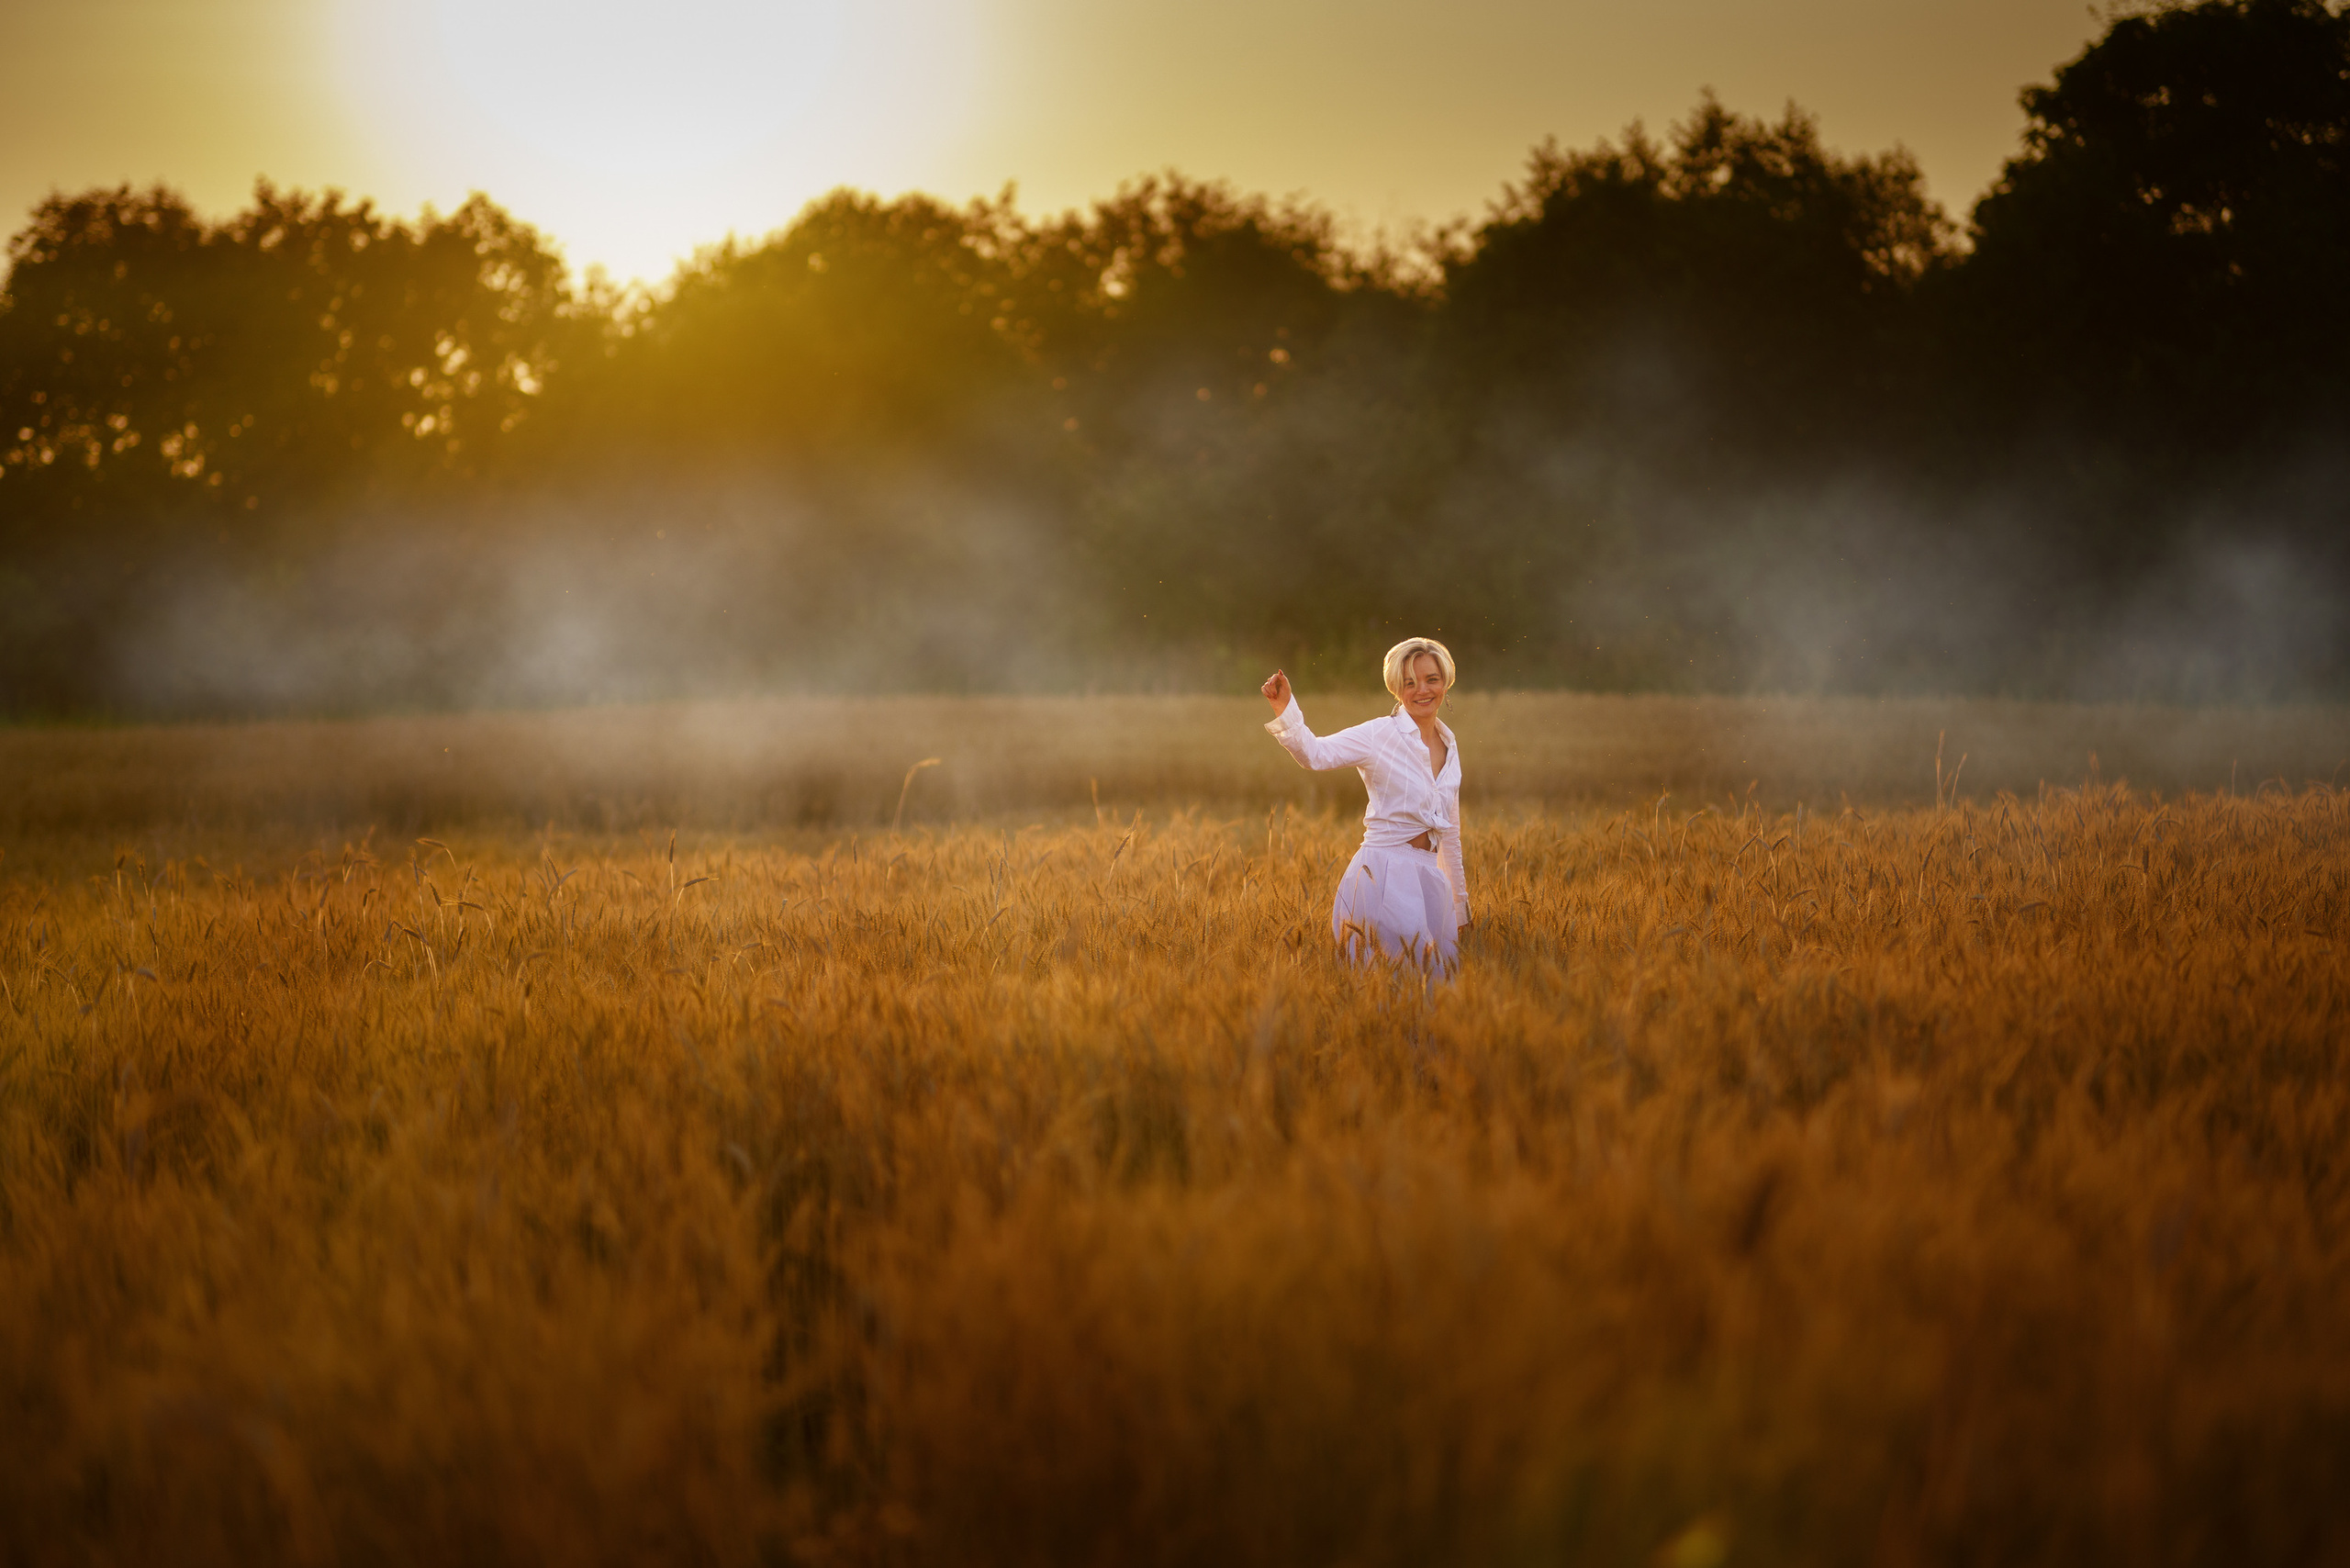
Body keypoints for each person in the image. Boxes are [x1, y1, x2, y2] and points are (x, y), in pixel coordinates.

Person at [1260, 637, 1469, 972]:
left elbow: (1451, 837)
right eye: (1409, 683)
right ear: (1396, 689)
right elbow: (1315, 754)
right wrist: (1285, 707)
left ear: (1446, 682)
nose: (1422, 690)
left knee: (1432, 996)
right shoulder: (1379, 734)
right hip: (1382, 876)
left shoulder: (1450, 747)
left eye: (1431, 679)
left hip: (1430, 882)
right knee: (1392, 989)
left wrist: (1460, 908)